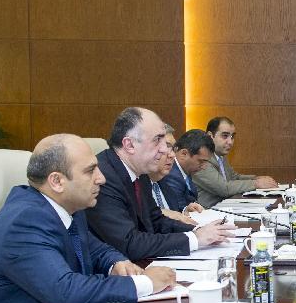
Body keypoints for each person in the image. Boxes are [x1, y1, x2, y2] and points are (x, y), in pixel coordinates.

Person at [0, 135, 176, 303]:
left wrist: (117, 263)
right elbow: (66, 291)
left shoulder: (67, 207)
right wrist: (145, 283)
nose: (101, 178)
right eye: (90, 171)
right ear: (57, 181)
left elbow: (95, 249)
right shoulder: (25, 220)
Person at [86, 107, 234, 260]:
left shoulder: (140, 172)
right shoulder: (103, 178)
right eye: (157, 140)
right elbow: (129, 243)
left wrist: (198, 229)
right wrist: (195, 239)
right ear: (129, 145)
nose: (165, 149)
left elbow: (156, 220)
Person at [194, 116, 279, 208]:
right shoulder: (201, 159)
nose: (230, 142)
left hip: (225, 207)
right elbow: (224, 188)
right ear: (210, 136)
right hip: (208, 211)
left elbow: (234, 177)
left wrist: (256, 178)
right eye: (225, 136)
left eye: (232, 136)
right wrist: (256, 183)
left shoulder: (220, 156)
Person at [149, 126, 203, 226]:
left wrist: (185, 212)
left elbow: (173, 214)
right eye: (166, 147)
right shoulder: (136, 186)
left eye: (173, 149)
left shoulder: (163, 182)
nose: (172, 155)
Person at [158, 128, 214, 215]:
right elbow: (175, 211)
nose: (204, 167)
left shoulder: (186, 171)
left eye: (172, 149)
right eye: (201, 161)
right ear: (184, 154)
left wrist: (185, 211)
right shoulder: (170, 175)